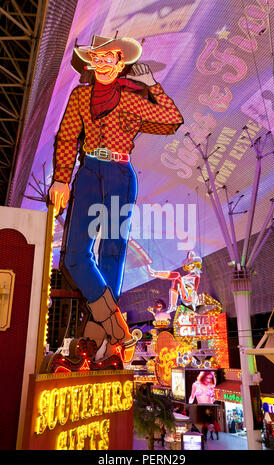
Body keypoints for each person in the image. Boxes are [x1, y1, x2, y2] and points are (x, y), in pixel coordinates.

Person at [48, 34, 183, 362]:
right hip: (89, 172)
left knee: (111, 252)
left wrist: (152, 86)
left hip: (119, 174)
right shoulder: (80, 97)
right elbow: (67, 136)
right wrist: (62, 178)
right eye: (98, 56)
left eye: (111, 57)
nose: (103, 62)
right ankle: (118, 329)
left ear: (121, 64)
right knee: (76, 256)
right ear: (90, 61)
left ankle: (94, 343)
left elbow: (171, 119)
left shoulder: (132, 97)